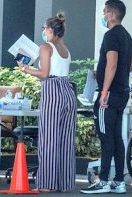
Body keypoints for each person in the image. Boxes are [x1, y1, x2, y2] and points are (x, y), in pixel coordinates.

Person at [16, 12, 77, 192]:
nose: (43, 31)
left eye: (44, 28)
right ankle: (65, 183)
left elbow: (44, 74)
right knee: (66, 140)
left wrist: (25, 69)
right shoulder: (65, 49)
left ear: (50, 30)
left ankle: (47, 184)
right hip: (68, 90)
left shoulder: (45, 46)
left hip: (52, 90)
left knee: (49, 138)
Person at [81, 0, 132, 194]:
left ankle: (103, 180)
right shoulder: (127, 36)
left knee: (106, 138)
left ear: (112, 14)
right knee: (117, 138)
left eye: (105, 12)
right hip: (122, 92)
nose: (103, 16)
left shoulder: (111, 35)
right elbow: (130, 65)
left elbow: (112, 64)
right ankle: (118, 181)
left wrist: (103, 92)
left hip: (110, 94)